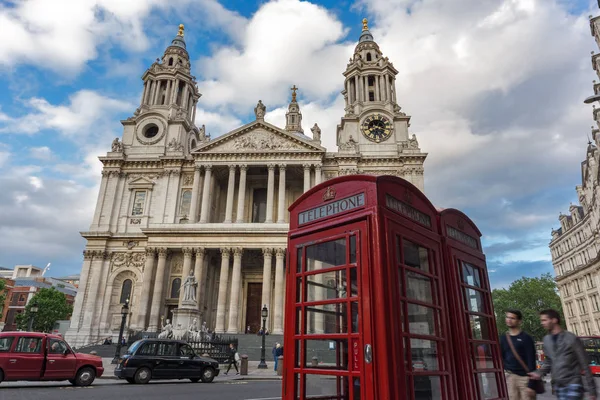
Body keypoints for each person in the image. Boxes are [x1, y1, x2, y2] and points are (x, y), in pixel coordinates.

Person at [530, 309, 597, 400]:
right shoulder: (546, 340)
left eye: (544, 320)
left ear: (554, 320)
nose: (542, 323)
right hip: (559, 386)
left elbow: (584, 363)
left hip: (573, 384)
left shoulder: (571, 338)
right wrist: (538, 373)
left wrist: (592, 390)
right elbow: (549, 361)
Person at [500, 309, 537, 399]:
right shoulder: (503, 338)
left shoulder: (526, 338)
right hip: (510, 377)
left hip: (525, 378)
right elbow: (501, 357)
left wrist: (531, 384)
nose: (509, 320)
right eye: (507, 317)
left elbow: (531, 361)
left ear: (519, 321)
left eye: (512, 318)